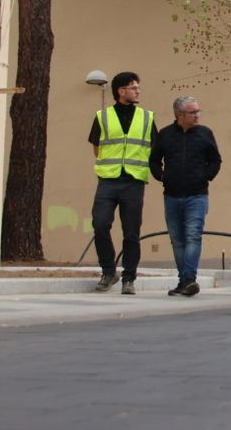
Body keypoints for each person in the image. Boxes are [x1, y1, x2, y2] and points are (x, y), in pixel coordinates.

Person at [88, 71, 157, 295]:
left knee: (131, 232)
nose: (138, 91)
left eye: (138, 87)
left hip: (134, 181)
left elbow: (154, 149)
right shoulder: (103, 116)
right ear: (121, 91)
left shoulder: (146, 117)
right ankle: (109, 271)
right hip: (108, 180)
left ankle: (129, 278)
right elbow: (97, 147)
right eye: (133, 87)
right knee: (100, 224)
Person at [150, 95, 222, 297]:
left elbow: (215, 160)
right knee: (177, 239)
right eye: (193, 112)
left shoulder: (205, 134)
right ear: (180, 115)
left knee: (193, 235)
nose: (197, 115)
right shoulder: (165, 135)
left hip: (197, 195)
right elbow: (154, 160)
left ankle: (189, 278)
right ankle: (184, 281)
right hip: (171, 195)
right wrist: (161, 176)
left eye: (198, 111)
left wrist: (205, 177)